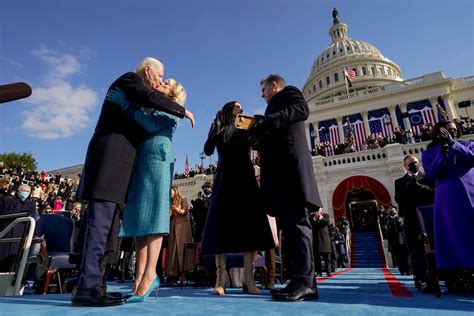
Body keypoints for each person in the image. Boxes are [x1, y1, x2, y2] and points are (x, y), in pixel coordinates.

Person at [72, 57, 194, 307]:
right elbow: (146, 99)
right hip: (111, 165)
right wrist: (182, 109)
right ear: (147, 71)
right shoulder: (131, 80)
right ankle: (89, 285)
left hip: (131, 167)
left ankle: (97, 284)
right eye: (159, 76)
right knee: (102, 226)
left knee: (109, 228)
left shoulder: (150, 105)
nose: (159, 81)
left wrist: (175, 108)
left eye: (164, 80)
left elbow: (146, 117)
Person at [107, 78, 188, 302]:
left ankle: (151, 273)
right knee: (140, 218)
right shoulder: (153, 106)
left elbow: (149, 124)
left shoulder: (173, 110)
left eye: (164, 85)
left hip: (157, 159)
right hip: (143, 158)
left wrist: (126, 104)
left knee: (152, 214)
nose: (159, 85)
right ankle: (140, 275)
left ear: (172, 94)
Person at [250, 74, 322, 301]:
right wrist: (254, 135)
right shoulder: (273, 109)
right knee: (289, 231)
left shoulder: (289, 92)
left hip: (291, 170)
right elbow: (273, 137)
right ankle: (296, 280)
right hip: (279, 175)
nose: (262, 95)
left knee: (299, 226)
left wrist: (267, 121)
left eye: (263, 90)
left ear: (273, 86)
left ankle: (306, 282)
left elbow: (302, 111)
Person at [201, 101, 275, 296]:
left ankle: (248, 279)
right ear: (227, 111)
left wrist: (256, 128)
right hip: (225, 178)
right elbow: (208, 150)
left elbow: (260, 141)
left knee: (249, 227)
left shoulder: (245, 125)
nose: (241, 109)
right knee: (221, 227)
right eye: (237, 107)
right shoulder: (219, 128)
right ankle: (220, 279)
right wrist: (214, 130)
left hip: (245, 178)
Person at [422, 121, 474, 270]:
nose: (452, 132)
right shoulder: (429, 153)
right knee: (454, 230)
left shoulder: (468, 144)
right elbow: (432, 174)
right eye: (448, 130)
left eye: (454, 129)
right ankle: (458, 268)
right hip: (448, 195)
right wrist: (442, 153)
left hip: (471, 190)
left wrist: (453, 145)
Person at [394, 155, 434, 290]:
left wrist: (420, 187)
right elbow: (399, 199)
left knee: (432, 249)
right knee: (415, 251)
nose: (413, 165)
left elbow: (434, 193)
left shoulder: (428, 177)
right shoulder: (400, 182)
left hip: (428, 218)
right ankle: (421, 279)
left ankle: (437, 277)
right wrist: (409, 187)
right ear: (405, 166)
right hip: (411, 220)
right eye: (410, 164)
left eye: (415, 163)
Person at [165, 185, 194, 284]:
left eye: (171, 192)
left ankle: (185, 273)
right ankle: (173, 274)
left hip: (183, 230)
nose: (170, 194)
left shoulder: (183, 199)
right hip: (173, 229)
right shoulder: (169, 202)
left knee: (183, 252)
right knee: (173, 252)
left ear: (175, 191)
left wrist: (177, 209)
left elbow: (185, 212)